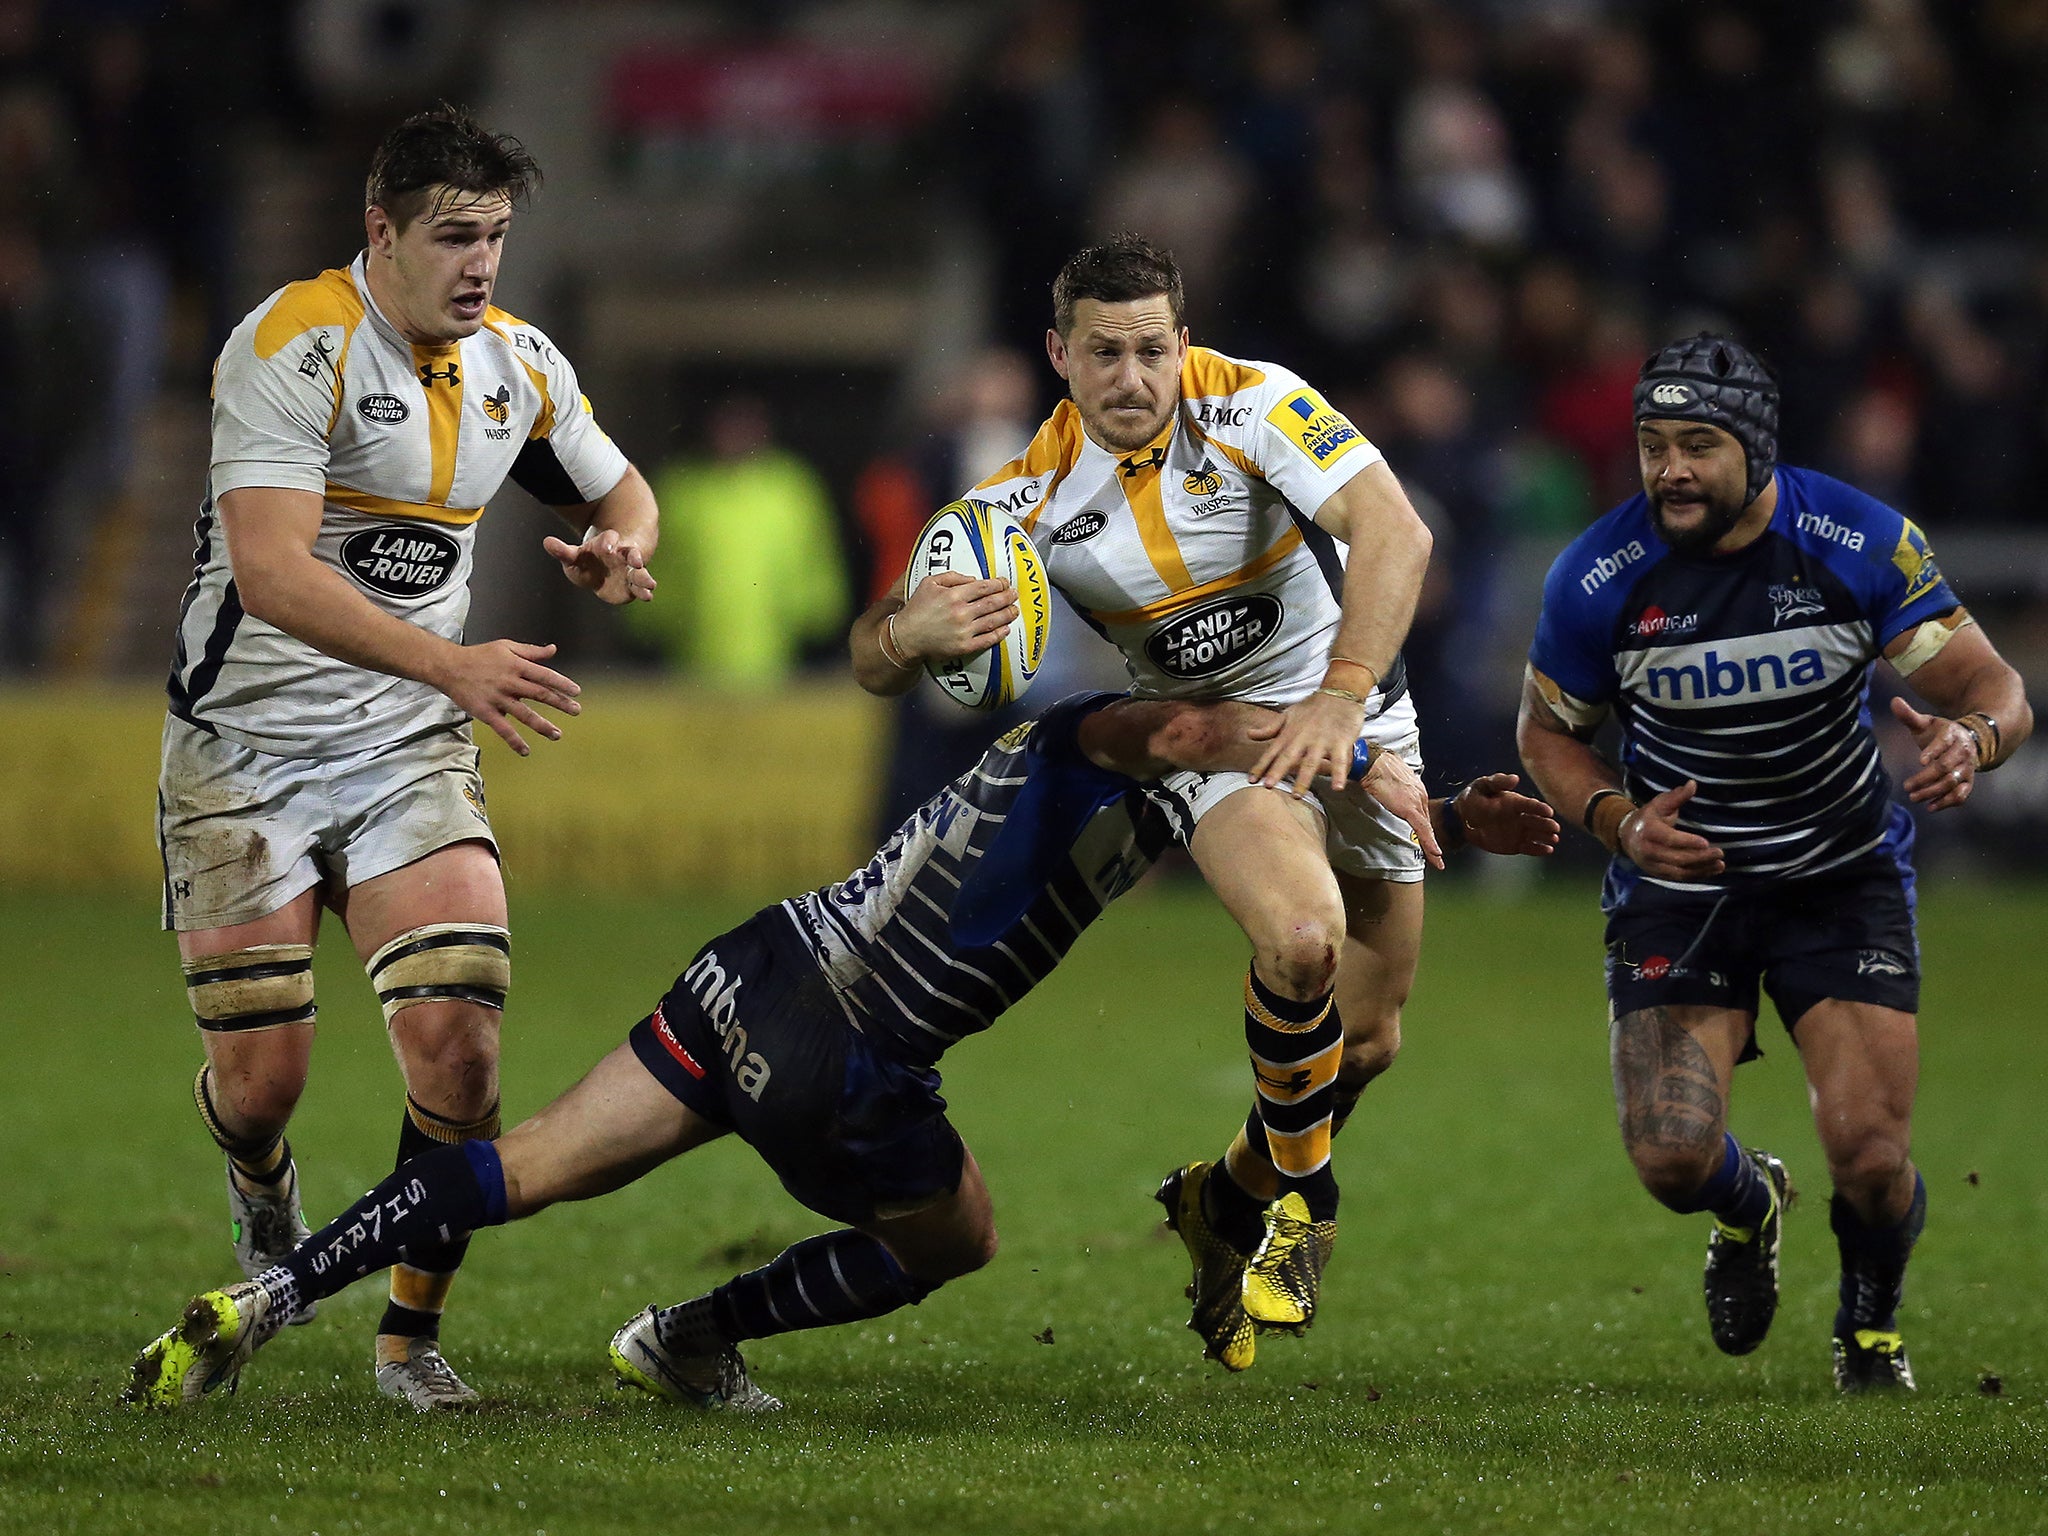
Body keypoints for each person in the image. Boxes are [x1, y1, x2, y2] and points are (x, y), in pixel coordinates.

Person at [128, 692, 1557, 1411]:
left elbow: (1242, 789)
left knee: (526, 1163)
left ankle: (262, 1299)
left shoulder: (1152, 777)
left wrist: (1399, 790)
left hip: (755, 963)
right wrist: (1360, 753)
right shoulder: (1117, 732)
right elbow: (1197, 728)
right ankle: (692, 1337)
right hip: (850, 1056)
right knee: (960, 1239)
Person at [849, 235, 1440, 1370]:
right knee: (1302, 942)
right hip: (1214, 745)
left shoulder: (1253, 402)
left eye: (1153, 351)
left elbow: (1394, 533)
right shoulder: (1018, 500)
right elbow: (871, 658)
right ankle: (1302, 1213)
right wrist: (903, 635)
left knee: (1364, 1042)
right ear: (1057, 355)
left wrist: (1341, 698)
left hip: (1354, 707)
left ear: (1183, 345)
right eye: (1105, 353)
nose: (1133, 379)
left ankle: (1218, 1199)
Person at [155, 104, 660, 1409]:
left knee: (463, 1050)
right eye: (453, 236)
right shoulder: (291, 343)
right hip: (245, 753)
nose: (480, 261)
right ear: (379, 231)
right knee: (262, 1084)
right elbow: (268, 574)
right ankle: (260, 1189)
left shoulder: (519, 362)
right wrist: (452, 660)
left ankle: (408, 1336)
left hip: (403, 750)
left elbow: (620, 486)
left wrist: (623, 544)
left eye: (494, 234)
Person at [1516, 334, 2032, 1391]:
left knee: (1871, 1158)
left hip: (1836, 880)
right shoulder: (1601, 574)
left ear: (1754, 449)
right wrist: (1617, 821)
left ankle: (1869, 1324)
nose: (1668, 469)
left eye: (1696, 445)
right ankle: (1749, 1211)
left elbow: (1996, 692)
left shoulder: (1854, 541)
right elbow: (1543, 736)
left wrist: (1965, 743)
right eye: (1653, 444)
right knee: (1667, 1160)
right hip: (1679, 889)